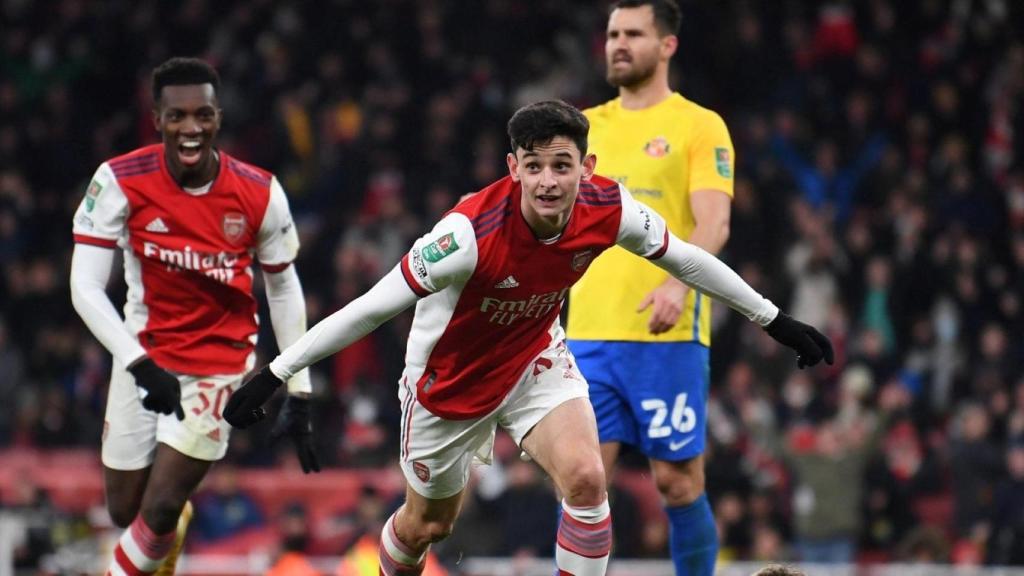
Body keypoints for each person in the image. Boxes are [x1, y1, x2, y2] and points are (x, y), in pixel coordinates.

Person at [224, 100, 832, 576]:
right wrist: (277, 373)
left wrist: (774, 320)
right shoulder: (464, 236)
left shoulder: (609, 207)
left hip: (533, 357)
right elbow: (368, 310)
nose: (547, 181)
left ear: (586, 168)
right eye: (533, 166)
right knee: (427, 526)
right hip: (448, 384)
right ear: (513, 167)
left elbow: (688, 260)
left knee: (588, 480)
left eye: (561, 166)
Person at [69, 57, 320, 576]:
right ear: (157, 120)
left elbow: (283, 286)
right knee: (126, 511)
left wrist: (299, 387)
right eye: (177, 116)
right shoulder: (118, 181)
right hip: (142, 353)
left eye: (203, 115)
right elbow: (84, 286)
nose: (191, 127)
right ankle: (170, 525)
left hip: (218, 365)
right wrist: (138, 362)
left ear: (218, 118)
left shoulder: (259, 191)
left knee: (159, 505)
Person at [565, 2, 736, 573]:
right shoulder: (583, 128)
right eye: (613, 33)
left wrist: (677, 287)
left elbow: (713, 224)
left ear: (666, 46)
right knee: (581, 482)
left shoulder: (699, 125)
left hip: (667, 337)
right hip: (586, 335)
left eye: (633, 34)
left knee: (677, 482)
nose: (618, 43)